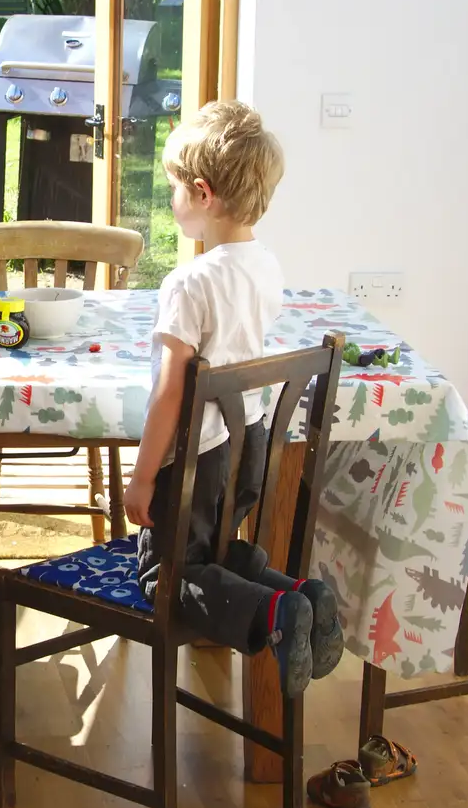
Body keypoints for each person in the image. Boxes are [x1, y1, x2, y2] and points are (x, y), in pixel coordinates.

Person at [122, 101, 345, 698]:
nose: (172, 198)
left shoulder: (189, 284)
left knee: (166, 576)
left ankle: (274, 616)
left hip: (198, 458)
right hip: (249, 450)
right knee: (214, 553)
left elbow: (171, 393)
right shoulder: (265, 264)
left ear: (202, 193)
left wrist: (143, 478)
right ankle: (299, 594)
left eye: (174, 187)